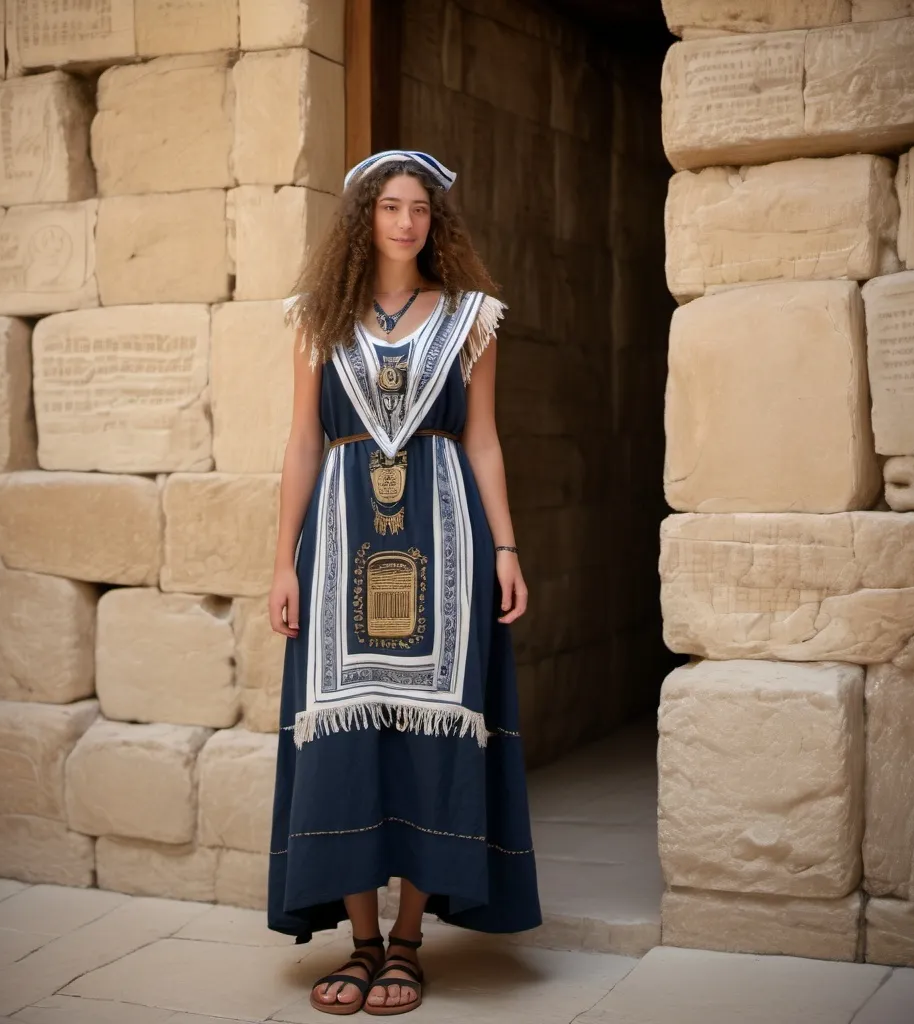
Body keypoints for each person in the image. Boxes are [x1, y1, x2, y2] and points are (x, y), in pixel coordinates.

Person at [267, 149, 541, 1016]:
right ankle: (359, 943)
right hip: (340, 544)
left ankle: (410, 942)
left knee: (436, 738)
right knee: (342, 741)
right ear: (364, 217)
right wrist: (283, 560)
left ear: (436, 220)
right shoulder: (319, 316)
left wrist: (506, 547)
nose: (405, 222)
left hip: (448, 543)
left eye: (419, 208)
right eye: (389, 206)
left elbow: (484, 440)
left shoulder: (470, 317)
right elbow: (304, 441)